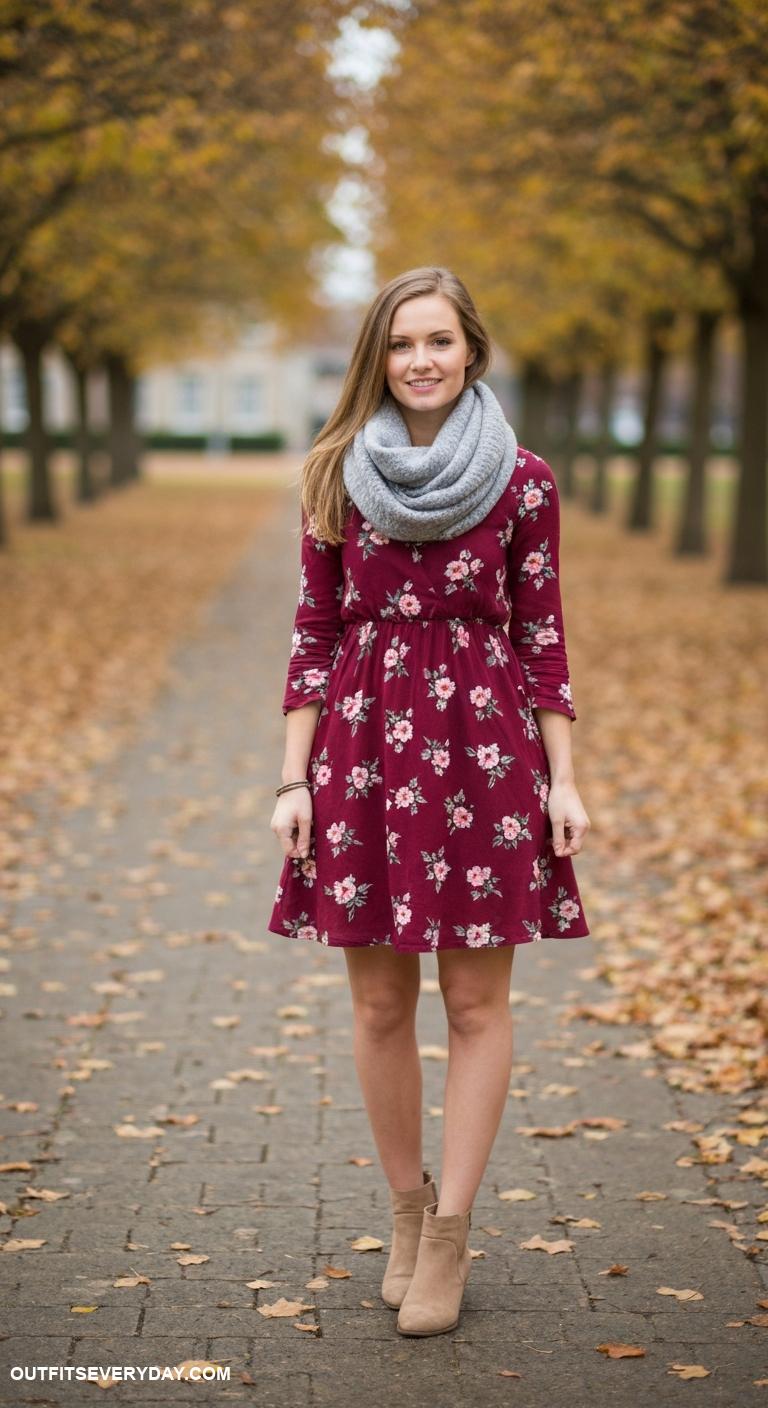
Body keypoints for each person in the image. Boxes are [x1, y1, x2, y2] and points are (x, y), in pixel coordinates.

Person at [268, 266, 591, 1337]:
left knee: (474, 1002)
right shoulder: (332, 475)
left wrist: (566, 778)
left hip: (485, 758)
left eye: (440, 341)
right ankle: (404, 1211)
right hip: (361, 754)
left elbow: (541, 634)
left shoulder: (526, 483)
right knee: (377, 1003)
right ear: (379, 354)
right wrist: (291, 778)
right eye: (402, 342)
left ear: (472, 351)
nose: (421, 360)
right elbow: (312, 637)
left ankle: (451, 1229)